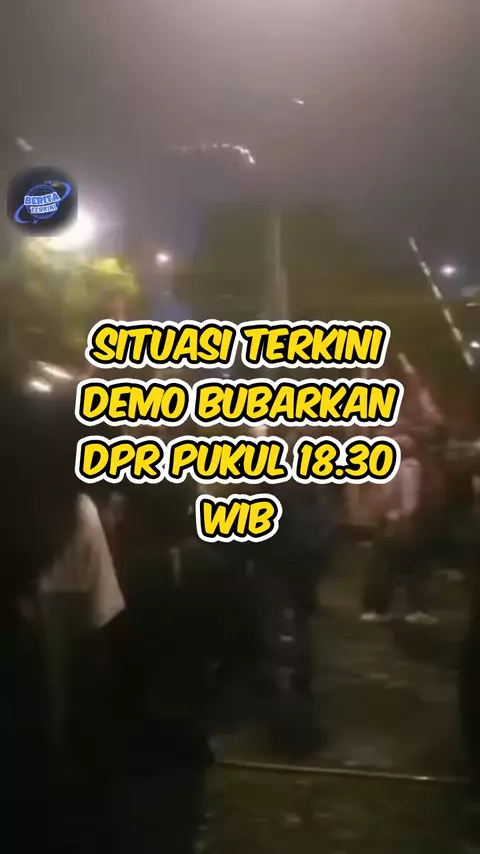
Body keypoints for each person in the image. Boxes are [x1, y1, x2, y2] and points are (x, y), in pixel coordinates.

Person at [361, 434, 437, 624]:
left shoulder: (403, 467)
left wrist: (395, 515)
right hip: (408, 522)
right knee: (406, 567)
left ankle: (384, 608)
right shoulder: (414, 467)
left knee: (391, 566)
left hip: (402, 521)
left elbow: (396, 496)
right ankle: (412, 608)